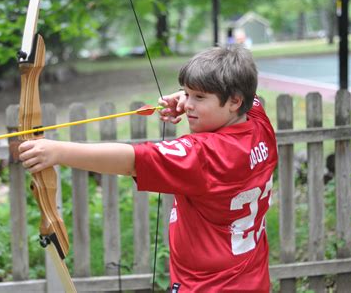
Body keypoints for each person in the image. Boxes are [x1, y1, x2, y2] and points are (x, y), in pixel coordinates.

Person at [18, 45, 278, 292]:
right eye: (186, 93)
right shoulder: (259, 124)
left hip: (207, 286)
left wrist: (56, 152)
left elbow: (132, 160)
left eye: (199, 97)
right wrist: (191, 98)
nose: (188, 105)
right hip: (251, 278)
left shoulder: (205, 154)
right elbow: (250, 97)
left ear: (233, 101)